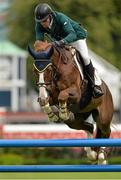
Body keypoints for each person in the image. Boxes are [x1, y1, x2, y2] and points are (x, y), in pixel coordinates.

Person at [34, 3, 104, 98]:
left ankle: (94, 85)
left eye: (45, 21)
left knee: (85, 57)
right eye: (41, 21)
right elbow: (40, 43)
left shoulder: (60, 18)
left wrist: (59, 42)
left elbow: (72, 34)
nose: (43, 24)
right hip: (59, 42)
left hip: (77, 37)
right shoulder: (39, 24)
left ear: (50, 16)